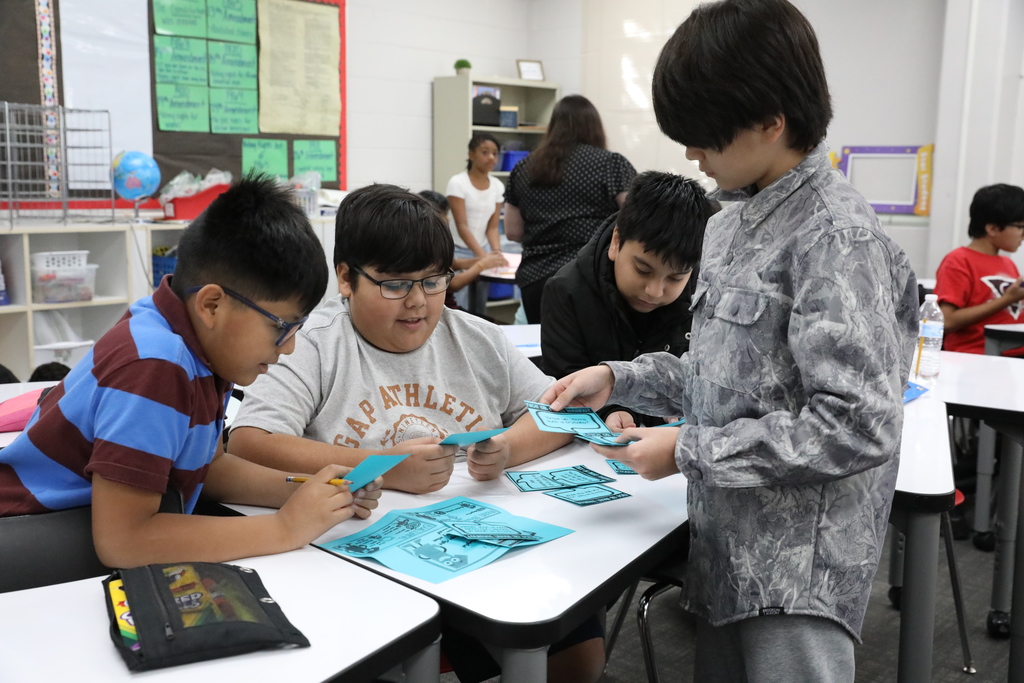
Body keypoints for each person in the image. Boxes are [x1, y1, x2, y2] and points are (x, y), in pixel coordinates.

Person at [541, 2, 919, 681]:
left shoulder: (835, 236)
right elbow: (720, 374)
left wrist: (688, 447)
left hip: (796, 572)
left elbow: (859, 423)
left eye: (704, 137)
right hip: (725, 545)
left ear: (771, 122)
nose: (692, 154)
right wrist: (618, 376)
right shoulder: (730, 223)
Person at [227, 184, 603, 683]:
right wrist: (378, 464)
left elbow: (558, 413)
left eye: (433, 281)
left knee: (576, 652)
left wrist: (509, 447)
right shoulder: (312, 344)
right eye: (395, 284)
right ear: (345, 278)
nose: (418, 303)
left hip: (483, 554)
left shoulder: (477, 337)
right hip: (364, 566)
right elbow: (250, 442)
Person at [0, 173, 383, 568]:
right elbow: (125, 541)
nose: (290, 346)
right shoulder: (155, 364)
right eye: (281, 327)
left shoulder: (201, 343)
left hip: (85, 521)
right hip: (28, 531)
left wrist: (311, 492)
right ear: (212, 305)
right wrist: (285, 527)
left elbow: (210, 469)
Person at [541, 170, 716, 427]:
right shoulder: (566, 292)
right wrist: (611, 412)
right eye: (642, 270)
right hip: (595, 446)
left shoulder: (703, 294)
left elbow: (704, 376)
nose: (655, 291)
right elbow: (564, 384)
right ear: (616, 241)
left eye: (675, 279)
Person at [504, 95, 636, 323]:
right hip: (590, 276)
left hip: (536, 280)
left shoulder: (524, 168)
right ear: (594, 127)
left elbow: (513, 232)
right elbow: (637, 219)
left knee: (545, 352)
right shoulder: (611, 164)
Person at [934, 183, 1024, 355]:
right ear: (992, 228)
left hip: (1013, 354)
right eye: (1020, 227)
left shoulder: (1007, 263)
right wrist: (1006, 300)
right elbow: (946, 321)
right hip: (976, 358)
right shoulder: (958, 260)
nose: (1023, 235)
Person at [446, 132, 507, 315]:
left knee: (479, 307)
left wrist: (496, 252)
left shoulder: (497, 185)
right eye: (485, 152)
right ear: (471, 154)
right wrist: (483, 258)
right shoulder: (458, 183)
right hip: (459, 250)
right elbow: (462, 226)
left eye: (495, 153)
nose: (491, 157)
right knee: (460, 306)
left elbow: (493, 227)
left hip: (484, 248)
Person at [419, 189, 505, 314]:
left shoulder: (433, 241)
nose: (448, 218)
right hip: (444, 311)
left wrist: (480, 260)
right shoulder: (427, 245)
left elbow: (452, 263)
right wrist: (481, 265)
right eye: (444, 213)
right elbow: (453, 285)